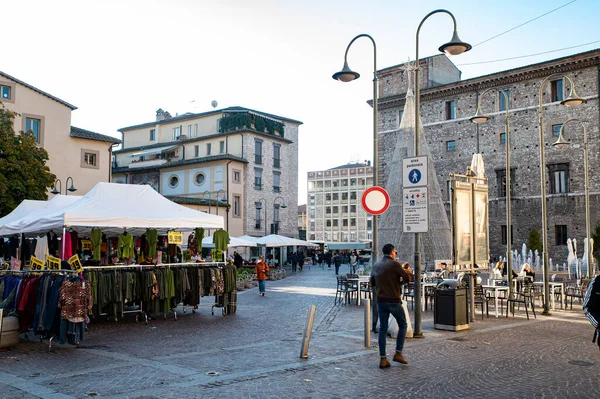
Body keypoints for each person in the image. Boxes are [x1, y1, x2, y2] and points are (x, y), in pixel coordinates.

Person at [370, 243, 410, 368]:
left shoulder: (376, 265)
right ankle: (398, 353)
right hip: (393, 300)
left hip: (381, 300)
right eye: (395, 252)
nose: (395, 254)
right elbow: (407, 279)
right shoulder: (395, 264)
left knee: (383, 328)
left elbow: (372, 283)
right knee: (403, 325)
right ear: (392, 252)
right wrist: (405, 274)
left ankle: (383, 359)